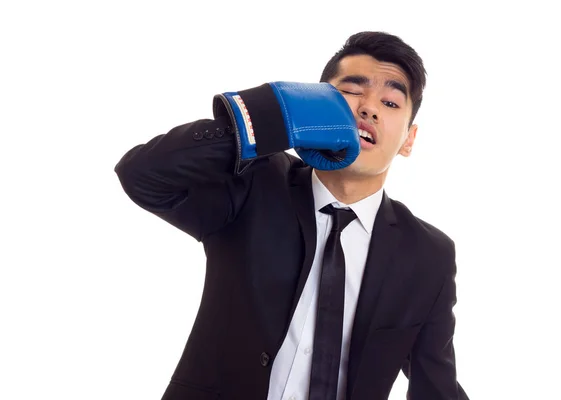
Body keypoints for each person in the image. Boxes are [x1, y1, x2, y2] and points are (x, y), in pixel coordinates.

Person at [115, 31, 469, 400]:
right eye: (350, 91)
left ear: (408, 140)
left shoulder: (429, 254)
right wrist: (267, 118)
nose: (368, 108)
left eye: (391, 103)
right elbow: (143, 175)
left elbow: (436, 386)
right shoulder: (257, 181)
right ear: (315, 103)